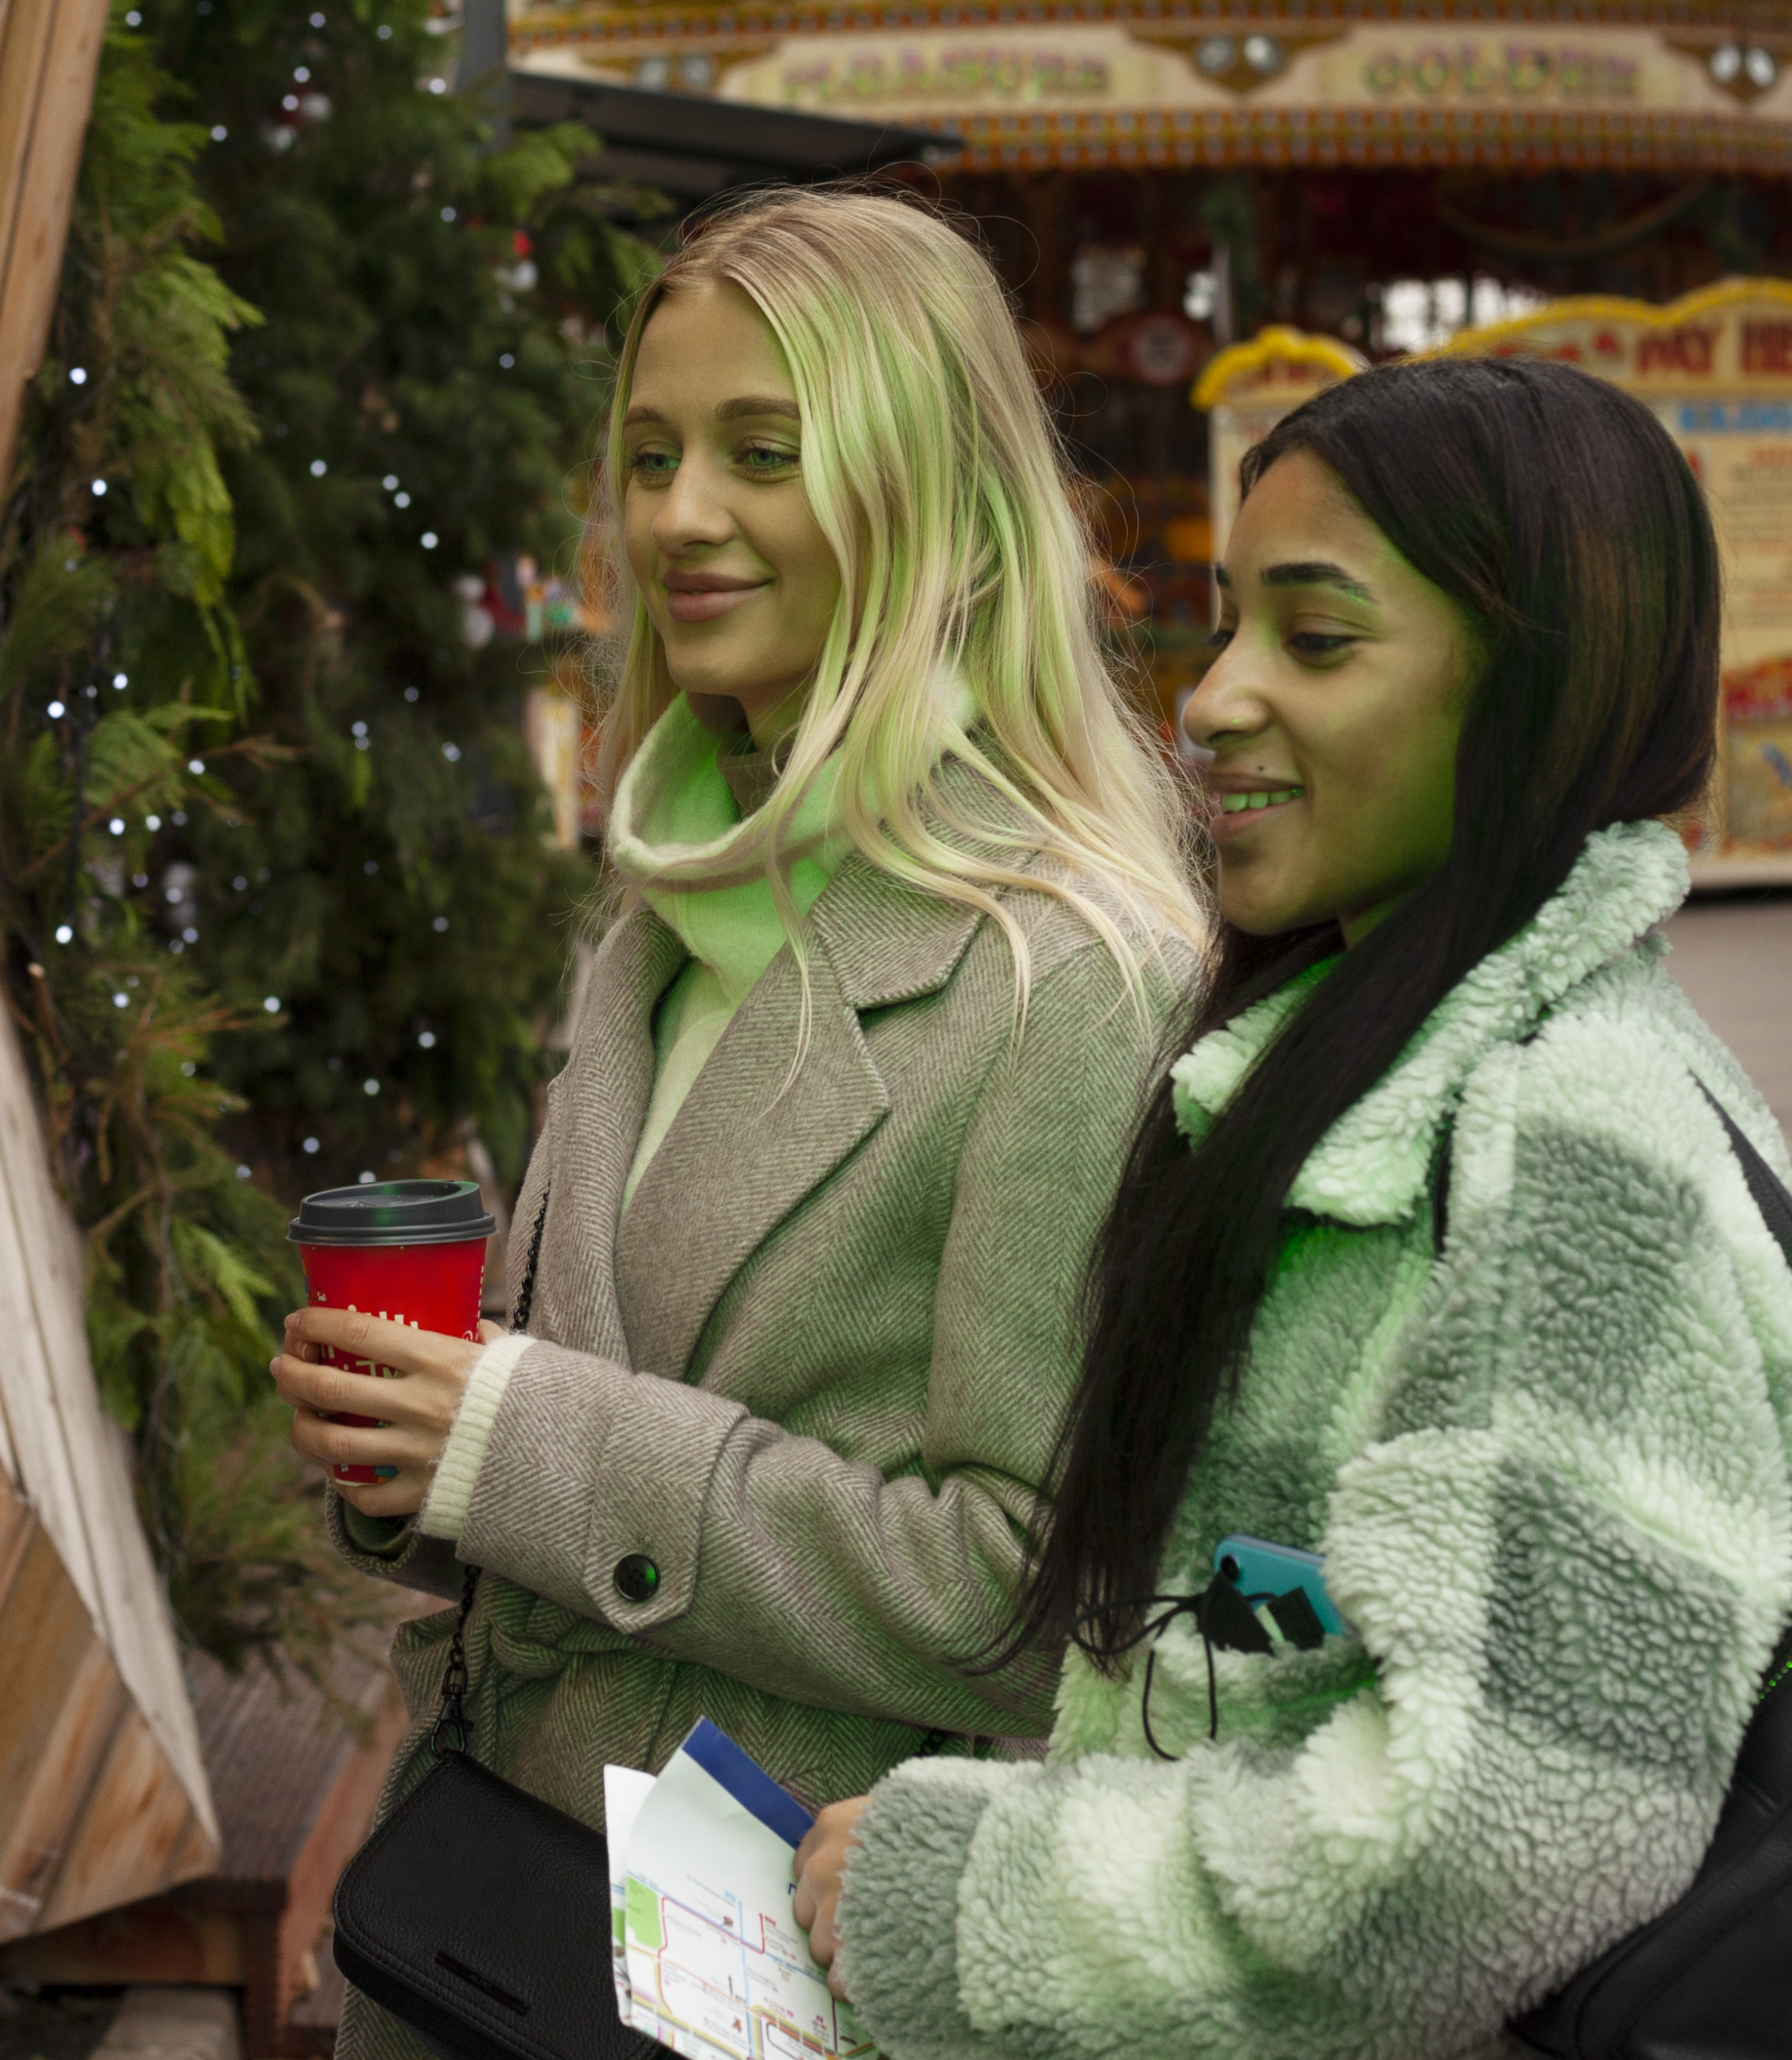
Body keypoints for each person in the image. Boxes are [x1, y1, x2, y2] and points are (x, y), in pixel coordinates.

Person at [789, 354, 1792, 2059]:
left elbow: (1516, 1812)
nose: (1210, 698)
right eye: (1221, 626)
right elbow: (1284, 1643)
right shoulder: (1365, 1073)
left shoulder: (1566, 1128)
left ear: (1538, 688)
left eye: (1315, 636)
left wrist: (974, 1891)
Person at [266, 190, 1204, 2060]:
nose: (680, 513)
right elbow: (567, 1418)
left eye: (763, 453)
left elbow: (1021, 1591)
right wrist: (412, 1461)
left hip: (776, 1969)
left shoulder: (1072, 973)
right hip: (476, 1917)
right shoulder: (659, 910)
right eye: (651, 453)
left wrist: (522, 1438)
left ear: (933, 496)